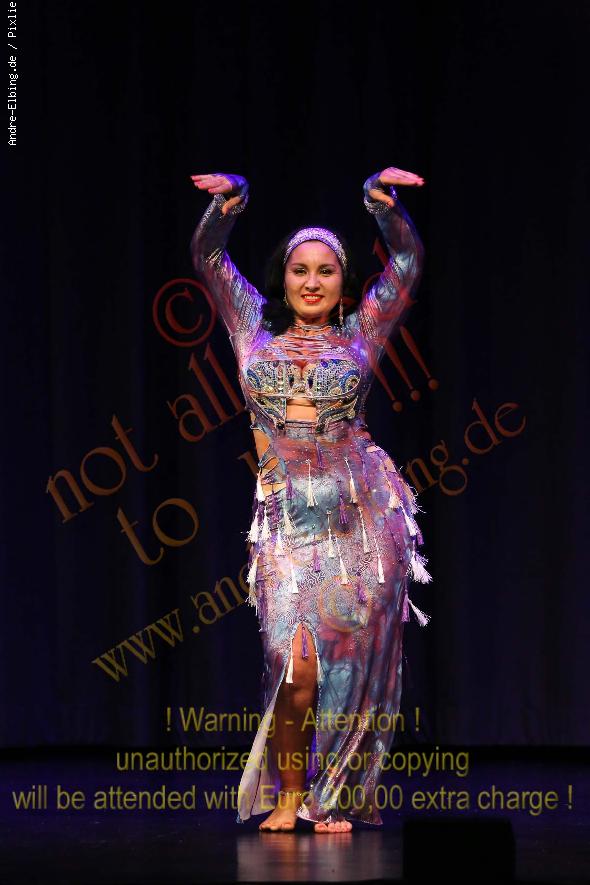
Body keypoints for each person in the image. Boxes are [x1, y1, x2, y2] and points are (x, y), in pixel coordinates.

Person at [189, 166, 432, 833]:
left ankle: (329, 796)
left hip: (359, 521)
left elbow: (406, 264)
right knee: (291, 668)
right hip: (286, 523)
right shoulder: (252, 330)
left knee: (346, 669)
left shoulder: (360, 333)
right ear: (285, 277)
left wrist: (381, 206)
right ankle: (289, 793)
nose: (313, 281)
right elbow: (208, 257)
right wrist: (230, 202)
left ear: (342, 281)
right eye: (301, 270)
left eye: (326, 271)